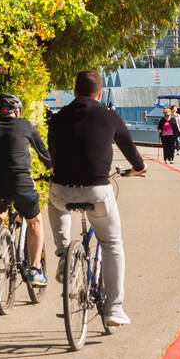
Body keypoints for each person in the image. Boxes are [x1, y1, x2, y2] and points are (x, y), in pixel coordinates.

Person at [47, 70, 146, 327]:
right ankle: (114, 309)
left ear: (74, 91)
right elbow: (130, 149)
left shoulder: (58, 119)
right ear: (100, 94)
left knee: (54, 200)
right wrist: (138, 168)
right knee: (112, 244)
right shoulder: (109, 115)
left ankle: (63, 254)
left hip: (62, 190)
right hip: (97, 191)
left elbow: (53, 157)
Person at [0, 93, 52, 287]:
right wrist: (54, 173)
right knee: (35, 221)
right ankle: (35, 269)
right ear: (17, 112)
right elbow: (45, 156)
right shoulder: (26, 126)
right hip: (20, 183)